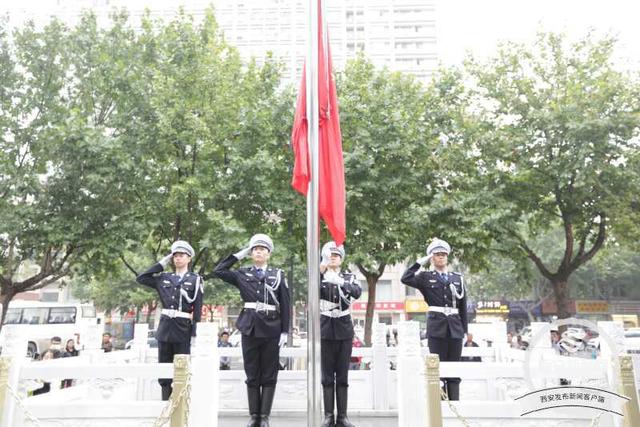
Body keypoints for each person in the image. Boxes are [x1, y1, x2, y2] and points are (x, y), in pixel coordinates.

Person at [214, 233, 290, 427]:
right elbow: (219, 270)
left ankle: (264, 416)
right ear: (251, 253)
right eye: (255, 249)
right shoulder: (242, 273)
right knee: (252, 373)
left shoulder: (278, 275)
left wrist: (285, 331)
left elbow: (286, 304)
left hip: (272, 328)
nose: (258, 252)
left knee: (269, 373)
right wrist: (240, 254)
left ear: (269, 254)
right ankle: (254, 415)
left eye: (262, 249)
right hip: (250, 328)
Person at [136, 240, 204, 401]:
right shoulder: (164, 277)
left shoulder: (195, 280)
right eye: (175, 256)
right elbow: (142, 278)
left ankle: (179, 407)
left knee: (181, 369)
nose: (178, 258)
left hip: (183, 329)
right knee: (164, 370)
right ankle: (166, 404)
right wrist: (162, 262)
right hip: (165, 329)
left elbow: (198, 308)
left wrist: (195, 333)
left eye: (182, 255)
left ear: (189, 258)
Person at [401, 238, 467, 401]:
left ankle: (455, 406)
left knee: (454, 369)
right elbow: (405, 278)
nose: (441, 257)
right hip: (437, 328)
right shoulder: (425, 277)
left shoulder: (457, 278)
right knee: (437, 369)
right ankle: (440, 408)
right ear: (432, 258)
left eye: (444, 254)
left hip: (455, 328)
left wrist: (465, 331)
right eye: (437, 254)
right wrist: (418, 263)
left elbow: (462, 306)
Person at [319, 241, 362, 427]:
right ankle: (329, 415)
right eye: (329, 255)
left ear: (341, 259)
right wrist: (321, 273)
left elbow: (357, 292)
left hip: (343, 328)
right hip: (325, 327)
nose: (333, 257)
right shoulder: (318, 277)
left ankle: (342, 416)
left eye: (336, 255)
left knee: (343, 375)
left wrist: (340, 282)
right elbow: (310, 291)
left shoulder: (349, 277)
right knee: (327, 375)